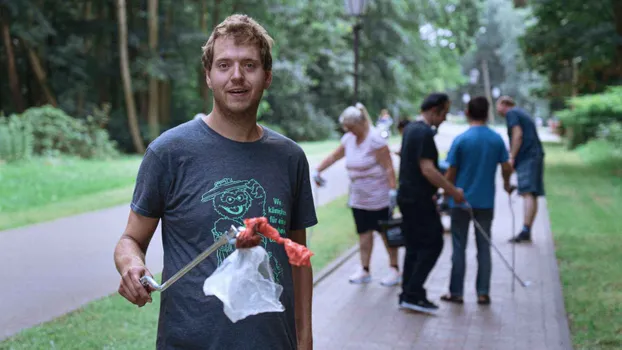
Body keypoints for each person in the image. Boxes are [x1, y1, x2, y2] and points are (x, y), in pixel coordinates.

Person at [113, 14, 317, 350]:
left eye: (249, 65)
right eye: (224, 65)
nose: (236, 76)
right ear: (208, 76)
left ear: (266, 77)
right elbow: (130, 239)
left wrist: (305, 340)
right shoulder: (169, 152)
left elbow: (298, 259)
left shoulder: (290, 158)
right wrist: (131, 265)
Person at [313, 103, 401, 286]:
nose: (349, 131)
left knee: (386, 234)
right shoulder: (349, 139)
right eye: (347, 128)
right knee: (363, 234)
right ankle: (365, 270)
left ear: (361, 123)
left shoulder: (376, 140)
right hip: (359, 198)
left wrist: (393, 190)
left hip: (379, 197)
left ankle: (394, 269)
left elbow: (388, 167)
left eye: (351, 127)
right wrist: (318, 170)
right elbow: (334, 157)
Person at [440, 96, 513, 305]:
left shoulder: (461, 139)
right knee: (484, 247)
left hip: (461, 201)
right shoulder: (496, 139)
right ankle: (483, 292)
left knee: (459, 247)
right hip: (486, 202)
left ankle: (456, 292)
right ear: (487, 113)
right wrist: (507, 184)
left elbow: (451, 171)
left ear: (467, 112)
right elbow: (506, 166)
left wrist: (446, 193)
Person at [396, 92, 465, 314]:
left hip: (407, 196)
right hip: (417, 199)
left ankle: (408, 294)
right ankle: (414, 292)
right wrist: (453, 191)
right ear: (434, 110)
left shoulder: (411, 129)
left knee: (414, 245)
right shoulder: (424, 132)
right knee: (434, 243)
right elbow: (427, 169)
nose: (444, 118)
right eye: (444, 113)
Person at [496, 96, 545, 243]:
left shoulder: (512, 113)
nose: (497, 109)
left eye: (497, 105)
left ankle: (525, 231)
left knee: (527, 192)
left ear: (504, 104)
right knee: (531, 193)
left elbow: (518, 135)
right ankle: (527, 229)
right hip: (535, 155)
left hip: (528, 157)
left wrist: (511, 157)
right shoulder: (520, 113)